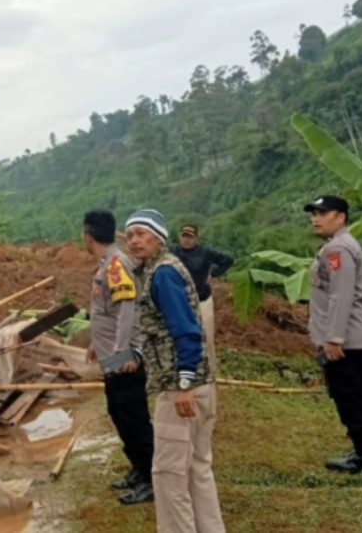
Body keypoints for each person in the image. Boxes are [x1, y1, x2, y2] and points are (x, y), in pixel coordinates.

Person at [125, 209, 225, 533]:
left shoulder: (163, 274)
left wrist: (184, 384)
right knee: (198, 468)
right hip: (200, 383)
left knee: (169, 475)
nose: (134, 240)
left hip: (180, 389)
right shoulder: (163, 269)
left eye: (142, 234)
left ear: (159, 239)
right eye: (130, 235)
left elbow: (186, 331)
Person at [304, 196, 362, 474]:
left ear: (340, 217)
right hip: (357, 336)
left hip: (347, 339)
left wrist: (333, 338)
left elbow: (341, 296)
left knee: (351, 395)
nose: (315, 218)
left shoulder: (338, 249)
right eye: (314, 213)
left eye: (322, 213)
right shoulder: (340, 245)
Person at [82, 210, 155, 505]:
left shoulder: (115, 264)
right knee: (118, 412)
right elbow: (108, 310)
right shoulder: (107, 264)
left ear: (88, 237)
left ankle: (150, 478)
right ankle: (138, 467)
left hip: (124, 357)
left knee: (133, 416)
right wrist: (95, 342)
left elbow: (127, 308)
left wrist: (121, 349)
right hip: (113, 355)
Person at [170, 224, 234, 370]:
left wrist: (215, 273)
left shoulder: (205, 253)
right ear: (180, 237)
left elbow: (228, 260)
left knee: (205, 335)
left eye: (190, 237)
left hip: (202, 299)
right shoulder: (173, 251)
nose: (186, 240)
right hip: (180, 300)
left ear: (196, 239)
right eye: (184, 236)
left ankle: (209, 368)